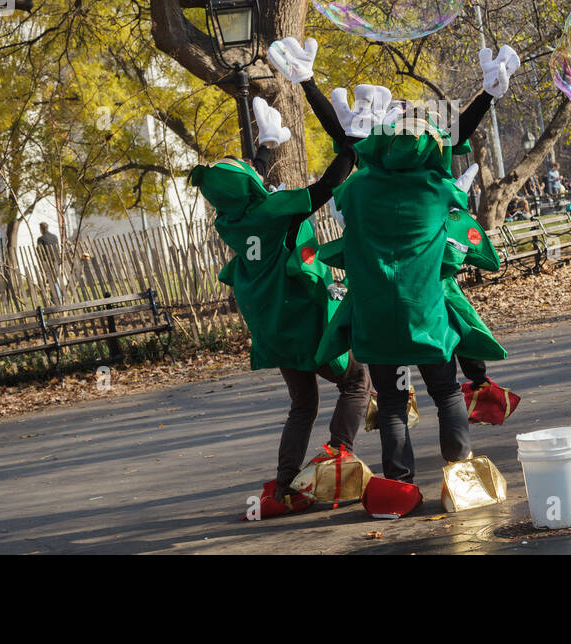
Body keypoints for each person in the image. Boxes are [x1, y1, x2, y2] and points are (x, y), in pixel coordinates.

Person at [312, 45, 520, 485]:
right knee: (445, 392)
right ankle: (459, 477)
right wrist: (486, 96)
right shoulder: (439, 190)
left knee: (390, 403)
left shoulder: (358, 190)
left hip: (374, 317)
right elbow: (454, 138)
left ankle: (398, 487)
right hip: (425, 312)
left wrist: (313, 91)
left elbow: (356, 157)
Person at [189, 97, 369, 515]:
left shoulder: (232, 220)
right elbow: (324, 188)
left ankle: (285, 485)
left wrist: (266, 146)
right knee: (356, 382)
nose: (256, 171)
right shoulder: (273, 211)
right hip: (306, 322)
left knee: (303, 405)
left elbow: (243, 183)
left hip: (276, 329)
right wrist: (352, 149)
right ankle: (337, 459)